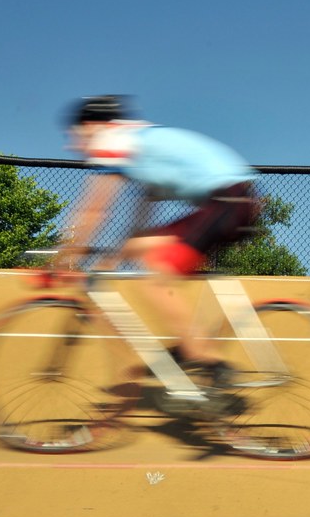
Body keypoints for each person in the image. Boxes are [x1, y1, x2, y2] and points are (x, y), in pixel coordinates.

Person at [57, 94, 260, 381]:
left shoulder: (111, 140)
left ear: (90, 125)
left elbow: (94, 210)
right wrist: (112, 260)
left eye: (73, 135)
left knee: (154, 279)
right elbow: (140, 224)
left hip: (227, 201)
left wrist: (65, 256)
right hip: (234, 201)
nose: (71, 144)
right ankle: (190, 343)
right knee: (142, 250)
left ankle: (205, 357)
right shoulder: (142, 143)